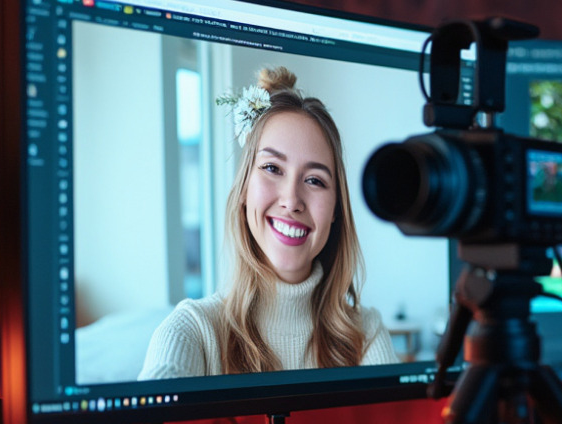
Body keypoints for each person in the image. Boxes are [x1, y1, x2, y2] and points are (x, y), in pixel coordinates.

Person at [139, 66, 398, 379]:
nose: (292, 201)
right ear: (245, 189)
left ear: (335, 210)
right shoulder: (192, 331)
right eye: (273, 168)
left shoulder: (366, 333)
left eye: (315, 180)